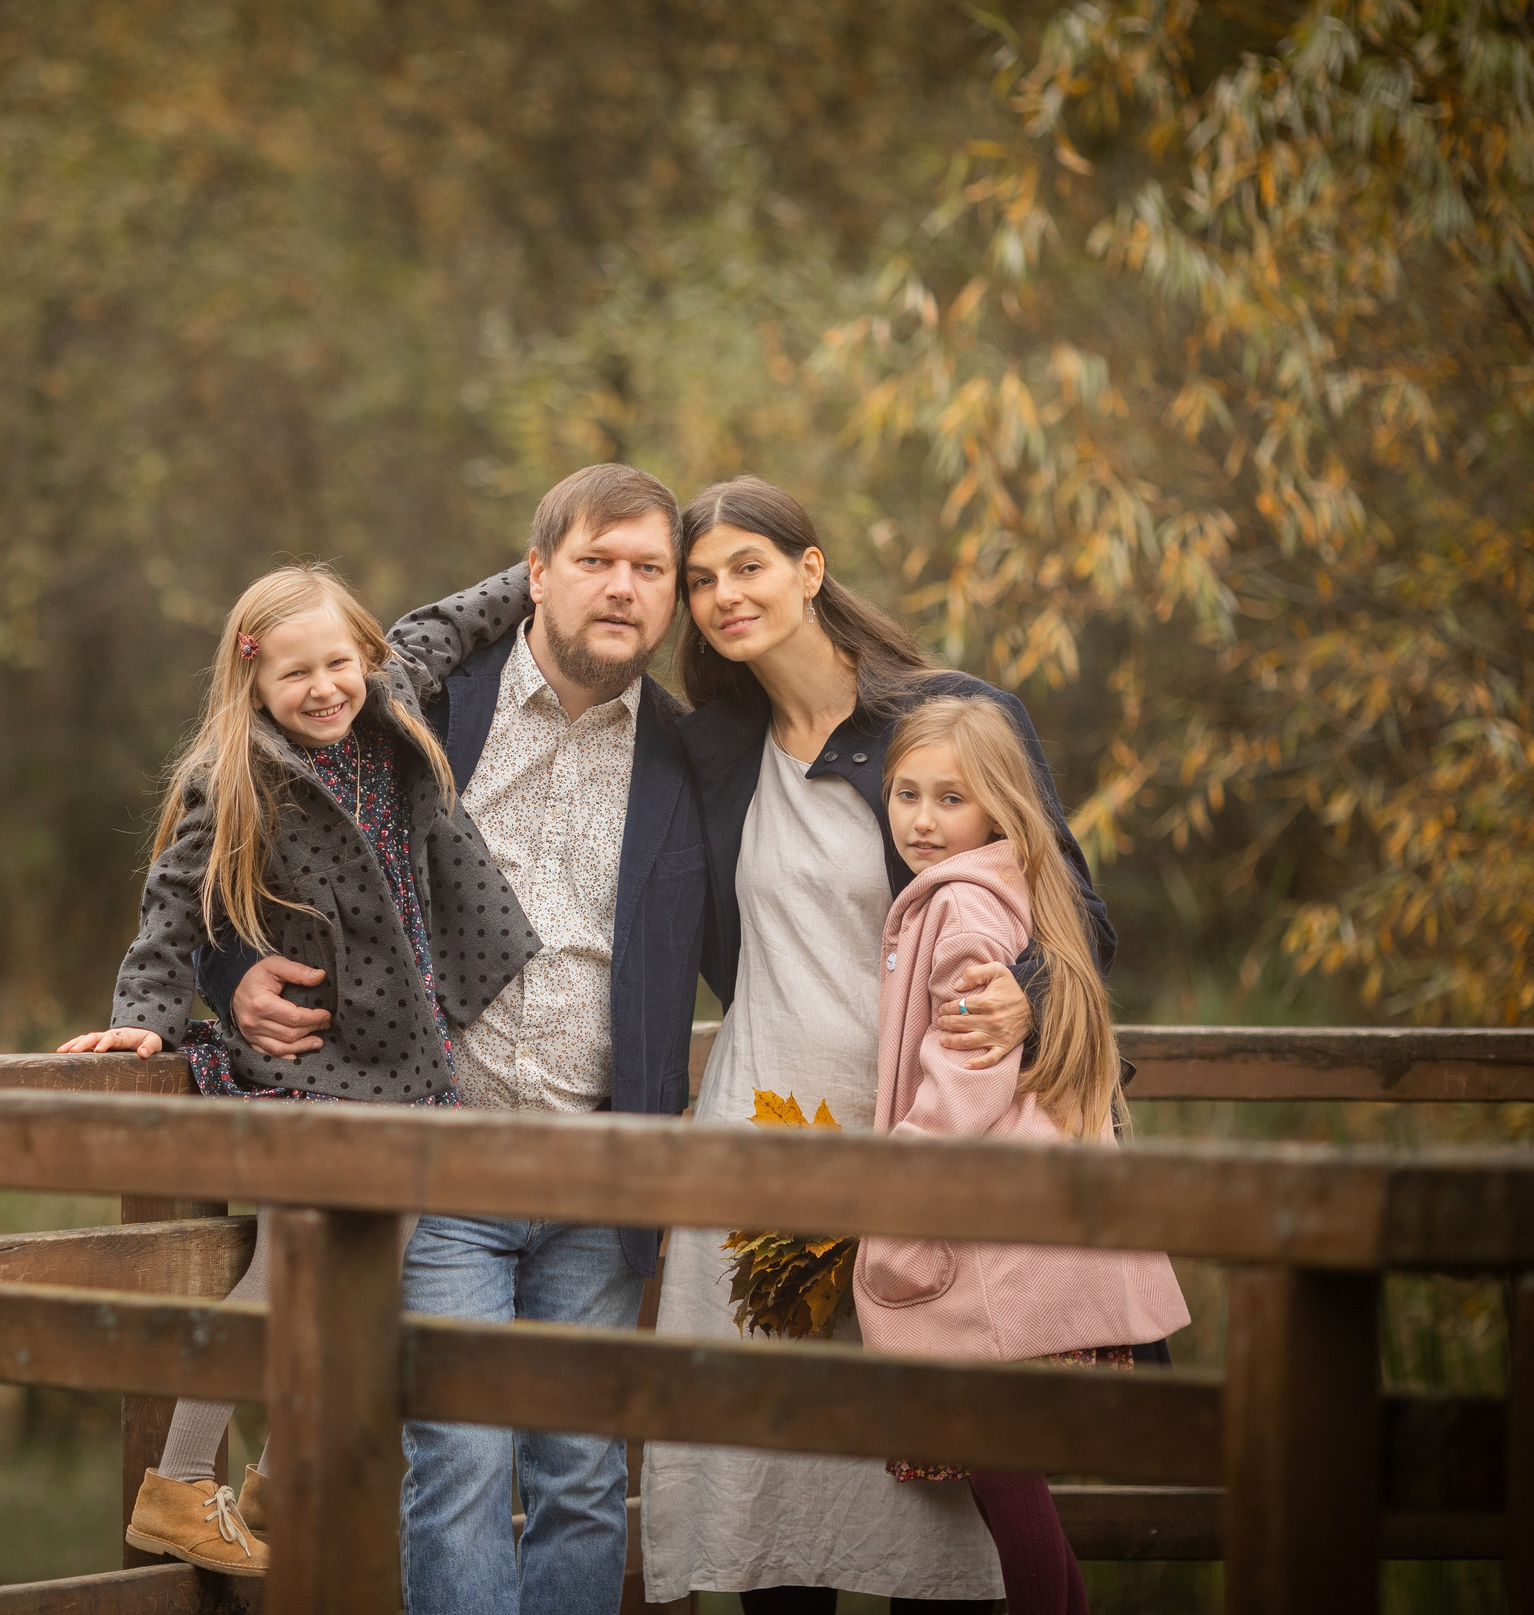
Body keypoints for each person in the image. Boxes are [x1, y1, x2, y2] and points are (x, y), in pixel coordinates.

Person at [202, 464, 713, 1615]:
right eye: (595, 562)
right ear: (535, 574)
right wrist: (231, 973)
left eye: (649, 571)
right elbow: (244, 830)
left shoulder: (694, 758)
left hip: (603, 1164)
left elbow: (785, 926)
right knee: (460, 1465)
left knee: (582, 1475)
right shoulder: (423, 704)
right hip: (440, 1158)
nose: (621, 590)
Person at [642, 476, 1111, 1611]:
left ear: (810, 570)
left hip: (920, 1132)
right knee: (775, 1480)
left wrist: (1028, 997)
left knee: (937, 1495)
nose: (721, 596)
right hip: (764, 1131)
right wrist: (543, 557)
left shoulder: (944, 718)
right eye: (698, 581)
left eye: (747, 566)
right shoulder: (713, 747)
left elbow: (1069, 911)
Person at [56, 561, 537, 1577]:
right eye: (294, 677)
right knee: (284, 1275)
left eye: (337, 664)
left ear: (364, 656)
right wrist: (140, 1019)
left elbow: (450, 622)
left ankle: (275, 1481)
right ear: (253, 686)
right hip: (311, 1067)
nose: (323, 689)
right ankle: (180, 1486)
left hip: (405, 1062)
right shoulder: (238, 775)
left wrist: (540, 571)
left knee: (370, 1277)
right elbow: (169, 910)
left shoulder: (389, 696)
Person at [854, 695, 1189, 1615]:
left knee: (1011, 1497)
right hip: (1014, 1245)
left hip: (981, 1255)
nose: (921, 819)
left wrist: (894, 1186)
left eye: (949, 798)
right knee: (1019, 1496)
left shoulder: (960, 904)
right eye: (905, 794)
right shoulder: (1011, 886)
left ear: (997, 804)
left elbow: (965, 1070)